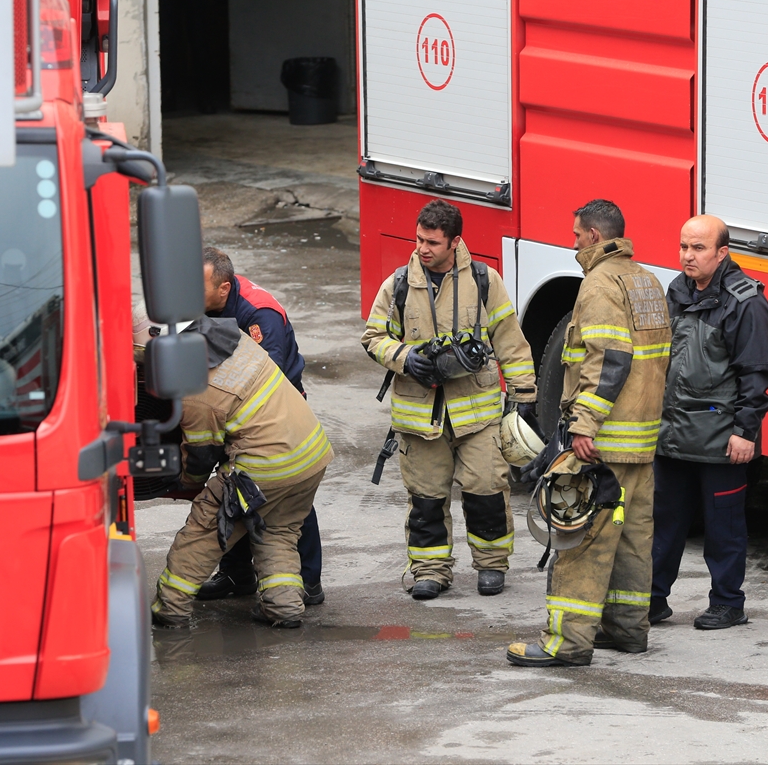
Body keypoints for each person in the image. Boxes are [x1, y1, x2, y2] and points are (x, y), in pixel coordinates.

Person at [507, 198, 671, 667]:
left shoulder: (600, 284)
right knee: (634, 539)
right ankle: (626, 630)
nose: (572, 241)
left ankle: (567, 642)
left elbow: (608, 359)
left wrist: (583, 425)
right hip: (640, 440)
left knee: (582, 539)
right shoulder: (646, 280)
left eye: (577, 234)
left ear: (596, 236)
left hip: (603, 442)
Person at [361, 199, 537, 600]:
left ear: (455, 242)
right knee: (426, 498)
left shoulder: (484, 281)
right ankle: (430, 570)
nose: (423, 249)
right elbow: (373, 338)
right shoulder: (399, 284)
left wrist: (524, 396)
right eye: (419, 240)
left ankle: (492, 565)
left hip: (477, 414)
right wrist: (406, 358)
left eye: (433, 243)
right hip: (420, 417)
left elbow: (509, 340)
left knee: (487, 490)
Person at [150, 316, 334, 629]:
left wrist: (184, 484)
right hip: (311, 455)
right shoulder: (235, 340)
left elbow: (200, 455)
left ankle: (171, 606)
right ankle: (285, 607)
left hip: (263, 468)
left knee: (206, 529)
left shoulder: (195, 391)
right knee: (277, 530)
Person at [651, 215, 768, 631]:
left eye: (698, 248)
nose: (688, 256)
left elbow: (756, 375)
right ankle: (652, 600)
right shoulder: (677, 290)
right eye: (684, 246)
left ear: (722, 253)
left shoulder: (747, 303)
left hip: (721, 439)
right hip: (672, 436)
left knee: (723, 525)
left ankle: (728, 603)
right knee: (663, 524)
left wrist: (745, 432)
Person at [196, 248, 325, 606]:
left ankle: (309, 582)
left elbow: (269, 379)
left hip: (274, 412)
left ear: (223, 289)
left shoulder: (260, 315)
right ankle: (237, 575)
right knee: (230, 489)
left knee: (289, 495)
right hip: (230, 411)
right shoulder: (205, 302)